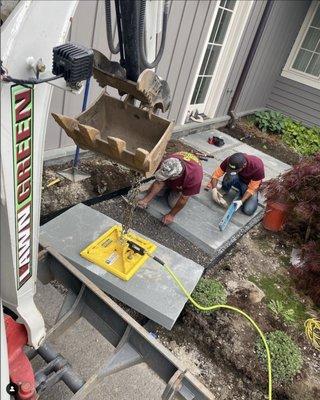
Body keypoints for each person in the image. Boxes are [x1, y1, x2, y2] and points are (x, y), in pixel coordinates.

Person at [138, 151, 203, 224]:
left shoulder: (194, 177)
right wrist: (145, 201)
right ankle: (166, 186)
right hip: (171, 179)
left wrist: (171, 215)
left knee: (173, 204)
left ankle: (175, 189)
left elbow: (183, 198)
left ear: (177, 176)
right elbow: (159, 182)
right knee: (152, 191)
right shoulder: (168, 162)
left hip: (181, 186)